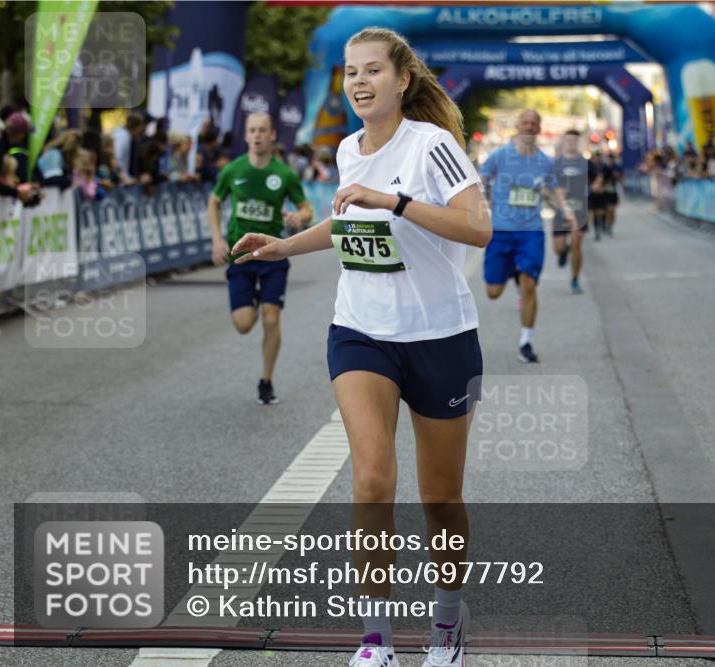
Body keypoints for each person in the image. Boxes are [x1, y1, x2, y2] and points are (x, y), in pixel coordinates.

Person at [229, 27, 491, 667]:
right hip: (361, 332)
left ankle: (447, 626)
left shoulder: (432, 146)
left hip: (441, 337)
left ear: (402, 81)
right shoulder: (348, 148)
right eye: (351, 73)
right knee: (373, 481)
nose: (358, 83)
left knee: (440, 496)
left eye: (372, 71)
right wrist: (285, 246)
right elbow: (349, 222)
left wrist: (396, 201)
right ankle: (376, 639)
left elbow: (478, 227)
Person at [208, 112, 314, 405]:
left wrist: (298, 217)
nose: (256, 135)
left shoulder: (284, 174)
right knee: (243, 325)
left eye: (262, 130)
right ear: (246, 136)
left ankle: (266, 380)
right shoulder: (233, 170)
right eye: (252, 130)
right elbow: (214, 201)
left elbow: (307, 210)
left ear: (271, 136)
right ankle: (253, 299)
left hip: (272, 255)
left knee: (271, 318)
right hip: (240, 256)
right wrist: (217, 238)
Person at [481, 109, 574, 363]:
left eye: (534, 123)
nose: (530, 126)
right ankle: (514, 273)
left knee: (530, 285)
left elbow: (555, 190)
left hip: (530, 232)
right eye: (526, 122)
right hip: (500, 231)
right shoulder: (499, 156)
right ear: (517, 126)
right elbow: (480, 181)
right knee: (492, 291)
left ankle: (526, 342)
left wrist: (565, 211)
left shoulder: (545, 162)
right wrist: (477, 205)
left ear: (539, 128)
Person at [552, 129, 589, 294]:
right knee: (558, 247)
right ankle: (562, 252)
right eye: (568, 139)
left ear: (578, 142)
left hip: (580, 209)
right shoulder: (556, 163)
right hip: (560, 210)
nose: (571, 142)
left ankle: (575, 279)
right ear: (564, 141)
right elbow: (550, 186)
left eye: (574, 139)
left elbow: (595, 179)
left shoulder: (585, 162)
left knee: (577, 241)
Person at [602, 151, 622, 236]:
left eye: (611, 159)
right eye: (608, 159)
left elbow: (620, 179)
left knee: (613, 212)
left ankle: (610, 227)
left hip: (613, 191)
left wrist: (617, 176)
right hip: (605, 192)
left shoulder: (617, 167)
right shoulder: (604, 168)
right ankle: (604, 224)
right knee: (607, 210)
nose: (610, 161)